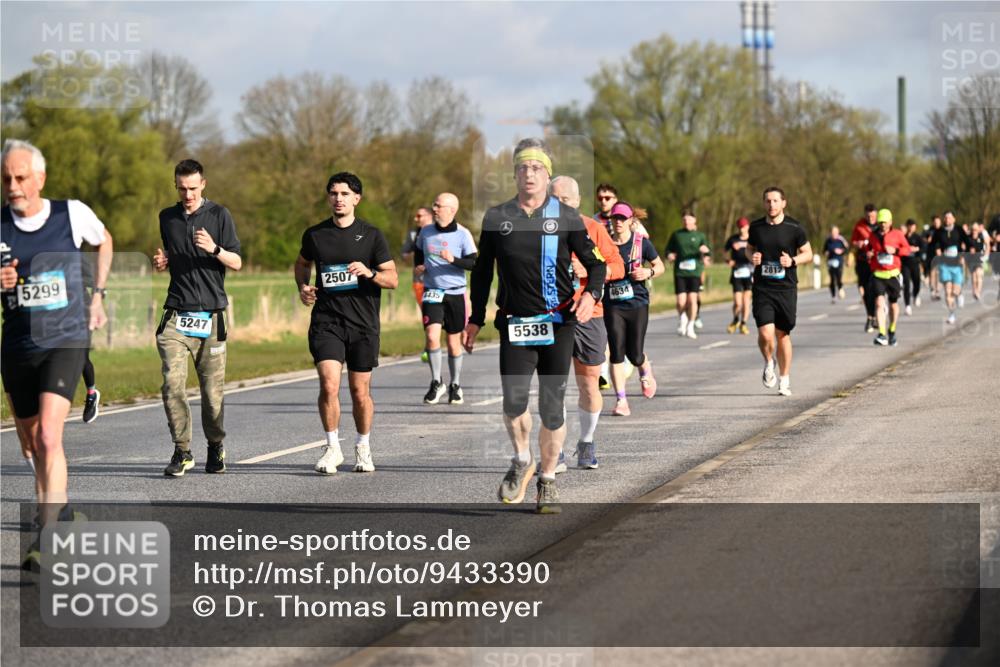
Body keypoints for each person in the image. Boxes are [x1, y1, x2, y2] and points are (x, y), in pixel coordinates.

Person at [465, 138, 606, 514]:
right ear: (514, 174)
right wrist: (475, 319)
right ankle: (521, 458)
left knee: (553, 406)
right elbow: (482, 274)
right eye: (522, 168)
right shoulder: (497, 217)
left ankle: (547, 480)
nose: (529, 174)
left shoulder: (566, 217)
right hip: (515, 323)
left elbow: (597, 265)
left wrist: (590, 296)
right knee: (513, 403)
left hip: (558, 323)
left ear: (546, 174)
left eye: (537, 168)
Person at [1, 139, 113, 569]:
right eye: (6, 178)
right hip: (17, 346)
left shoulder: (71, 214)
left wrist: (97, 296)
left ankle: (47, 538)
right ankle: (60, 512)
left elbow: (104, 241)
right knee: (31, 445)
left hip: (66, 338)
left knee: (50, 437)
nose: (13, 186)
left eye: (21, 177)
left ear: (39, 179)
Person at [295, 172, 397, 475]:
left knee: (359, 392)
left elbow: (392, 278)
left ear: (356, 199)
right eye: (333, 193)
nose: (338, 199)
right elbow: (302, 264)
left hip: (363, 323)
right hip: (327, 320)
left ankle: (363, 447)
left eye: (344, 194)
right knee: (328, 384)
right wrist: (303, 286)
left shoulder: (371, 235)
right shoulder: (315, 235)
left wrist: (369, 273)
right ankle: (332, 448)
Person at [155, 159, 242, 477]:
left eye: (193, 188)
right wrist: (163, 261)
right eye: (182, 188)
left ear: (203, 184)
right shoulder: (167, 217)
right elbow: (170, 252)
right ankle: (182, 451)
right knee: (171, 384)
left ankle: (216, 446)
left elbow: (237, 262)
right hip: (177, 313)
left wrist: (214, 248)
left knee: (211, 393)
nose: (187, 194)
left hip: (211, 316)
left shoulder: (220, 215)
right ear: (176, 186)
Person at [550, 176, 624, 469]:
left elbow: (617, 265)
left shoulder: (593, 228)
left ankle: (587, 441)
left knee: (589, 383)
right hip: (552, 313)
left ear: (578, 202)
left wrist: (590, 271)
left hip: (588, 312)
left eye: (566, 200)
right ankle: (554, 449)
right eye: (554, 199)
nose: (560, 205)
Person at [747, 187, 812, 397]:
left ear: (784, 203)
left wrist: (792, 260)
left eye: (775, 201)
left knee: (783, 334)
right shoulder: (756, 227)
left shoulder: (795, 227)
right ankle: (768, 362)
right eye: (768, 201)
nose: (771, 205)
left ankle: (784, 379)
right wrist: (752, 257)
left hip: (786, 288)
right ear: (763, 203)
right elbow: (749, 248)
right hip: (763, 288)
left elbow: (808, 253)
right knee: (765, 333)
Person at [414, 193, 477, 405]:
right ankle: (436, 382)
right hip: (432, 291)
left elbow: (474, 264)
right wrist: (419, 268)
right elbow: (418, 254)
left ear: (452, 210)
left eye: (439, 206)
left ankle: (455, 384)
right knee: (432, 336)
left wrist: (454, 260)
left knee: (453, 342)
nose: (435, 208)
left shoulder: (463, 234)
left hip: (455, 292)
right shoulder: (425, 231)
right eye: (434, 205)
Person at [604, 202, 664, 417]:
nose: (618, 222)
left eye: (622, 218)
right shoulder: (604, 244)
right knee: (616, 352)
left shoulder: (641, 244)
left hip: (637, 303)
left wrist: (648, 273)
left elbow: (660, 266)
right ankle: (621, 400)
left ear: (631, 221)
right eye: (615, 218)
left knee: (635, 353)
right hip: (613, 305)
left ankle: (644, 369)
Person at [866, 209, 911, 346]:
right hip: (878, 274)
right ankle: (882, 333)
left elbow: (907, 250)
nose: (883, 225)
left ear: (890, 222)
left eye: (885, 222)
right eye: (880, 222)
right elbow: (869, 248)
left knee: (893, 305)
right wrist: (869, 254)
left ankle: (892, 330)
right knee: (879, 303)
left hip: (893, 275)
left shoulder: (897, 234)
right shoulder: (873, 235)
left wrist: (896, 251)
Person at [665, 212, 710, 339]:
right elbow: (668, 249)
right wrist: (669, 255)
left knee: (692, 300)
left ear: (694, 221)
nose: (686, 222)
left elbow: (708, 250)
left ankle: (690, 325)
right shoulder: (676, 235)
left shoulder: (700, 235)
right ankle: (683, 318)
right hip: (680, 272)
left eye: (689, 220)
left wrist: (706, 253)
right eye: (684, 220)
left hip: (695, 272)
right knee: (681, 302)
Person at [932, 211, 970, 325]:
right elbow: (934, 243)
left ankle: (959, 294)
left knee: (955, 290)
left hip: (957, 264)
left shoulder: (959, 230)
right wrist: (937, 249)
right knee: (948, 292)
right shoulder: (939, 231)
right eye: (946, 218)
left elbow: (967, 243)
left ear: (954, 219)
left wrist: (963, 255)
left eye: (949, 218)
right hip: (945, 264)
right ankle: (951, 314)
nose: (947, 220)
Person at [850, 204, 879, 332]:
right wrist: (858, 243)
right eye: (868, 216)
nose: (870, 218)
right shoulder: (859, 225)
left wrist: (875, 251)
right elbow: (852, 241)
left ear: (876, 215)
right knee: (867, 291)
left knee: (877, 291)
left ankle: (877, 316)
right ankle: (870, 317)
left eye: (872, 216)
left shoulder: (881, 225)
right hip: (863, 262)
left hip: (878, 262)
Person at [725, 217, 754, 333]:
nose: (743, 229)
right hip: (736, 272)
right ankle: (735, 319)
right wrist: (728, 261)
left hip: (750, 272)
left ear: (748, 227)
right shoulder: (733, 239)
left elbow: (758, 252)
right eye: (740, 227)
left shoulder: (753, 239)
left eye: (744, 226)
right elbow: (725, 253)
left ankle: (743, 323)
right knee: (738, 302)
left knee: (746, 300)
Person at [401, 207, 433, 305]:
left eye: (419, 216)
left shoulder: (439, 231)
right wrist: (416, 254)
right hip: (419, 281)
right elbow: (404, 255)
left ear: (429, 216)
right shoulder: (413, 234)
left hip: (437, 280)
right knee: (426, 314)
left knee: (439, 314)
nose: (416, 219)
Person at [902, 219, 926, 315]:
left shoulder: (918, 237)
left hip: (915, 263)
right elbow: (899, 247)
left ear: (915, 227)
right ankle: (907, 306)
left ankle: (915, 295)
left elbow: (924, 247)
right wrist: (906, 249)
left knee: (917, 283)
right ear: (907, 226)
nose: (911, 227)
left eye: (913, 226)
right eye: (909, 225)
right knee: (906, 284)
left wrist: (917, 249)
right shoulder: (903, 237)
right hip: (905, 264)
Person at [822, 225, 848, 304]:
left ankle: (840, 288)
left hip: (839, 262)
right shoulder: (828, 240)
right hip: (830, 262)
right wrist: (826, 253)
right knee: (832, 279)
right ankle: (833, 296)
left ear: (838, 232)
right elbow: (824, 251)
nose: (834, 234)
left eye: (835, 232)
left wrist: (841, 251)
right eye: (832, 232)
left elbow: (846, 249)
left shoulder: (841, 240)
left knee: (839, 277)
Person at [967, 221, 990, 302]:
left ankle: (978, 292)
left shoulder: (981, 236)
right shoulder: (968, 237)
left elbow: (987, 245)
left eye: (976, 229)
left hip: (979, 258)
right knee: (974, 277)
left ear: (978, 230)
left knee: (979, 275)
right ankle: (974, 290)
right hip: (971, 259)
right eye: (973, 229)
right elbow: (964, 247)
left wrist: (986, 254)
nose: (974, 231)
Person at [925, 215, 943, 300]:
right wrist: (928, 239)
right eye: (935, 222)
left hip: (941, 254)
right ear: (933, 222)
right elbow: (923, 239)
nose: (936, 223)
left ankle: (937, 291)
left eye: (938, 222)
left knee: (939, 272)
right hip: (931, 254)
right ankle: (932, 289)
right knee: (932, 272)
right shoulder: (930, 230)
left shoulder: (943, 230)